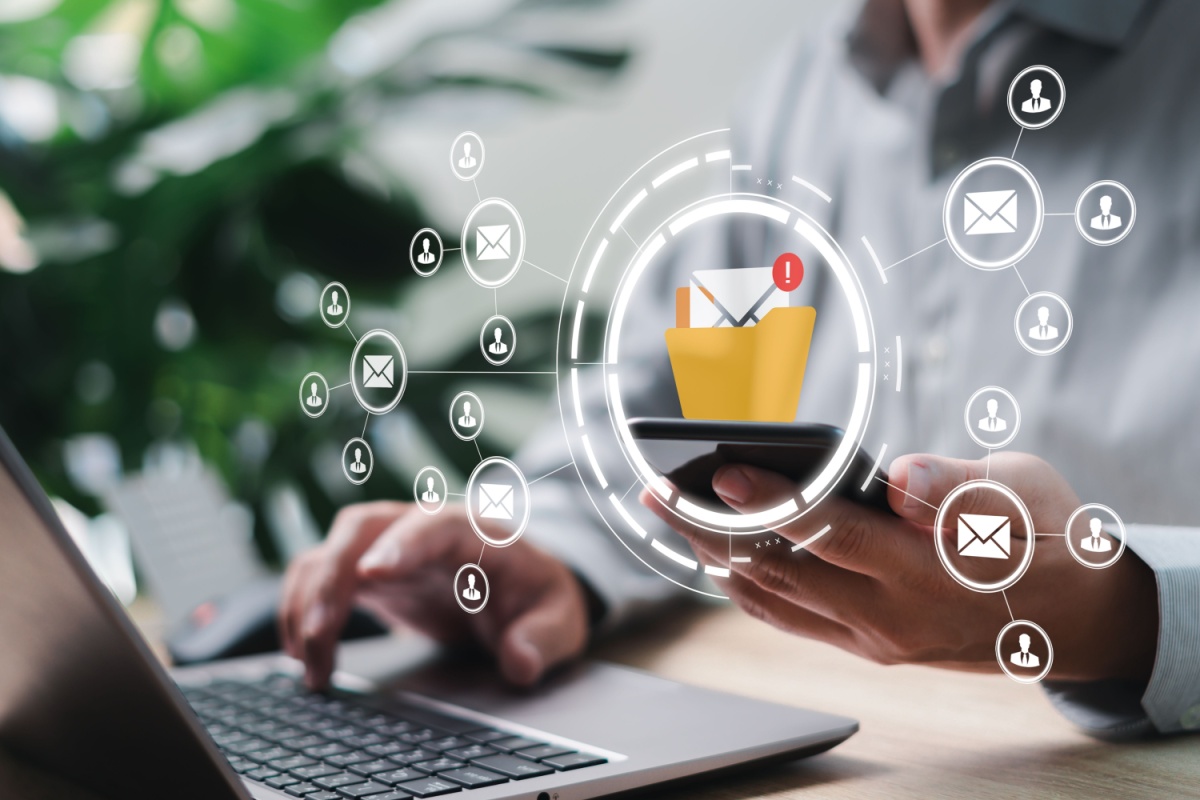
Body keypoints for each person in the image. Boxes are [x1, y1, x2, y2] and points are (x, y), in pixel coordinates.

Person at [280, 0, 1200, 740]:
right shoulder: (799, 92)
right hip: (857, 745)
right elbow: (660, 404)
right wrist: (544, 551)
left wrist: (1124, 614)